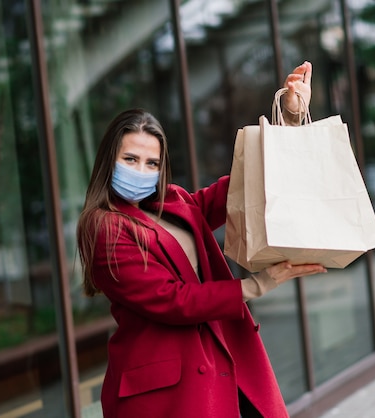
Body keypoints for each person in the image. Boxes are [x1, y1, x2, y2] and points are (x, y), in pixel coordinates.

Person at [76, 61, 326, 418]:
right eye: (130, 159)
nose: (142, 171)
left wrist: (287, 119)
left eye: (152, 163)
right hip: (168, 394)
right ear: (108, 161)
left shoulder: (173, 202)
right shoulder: (103, 226)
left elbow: (239, 188)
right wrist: (257, 285)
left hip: (222, 360)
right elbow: (173, 300)